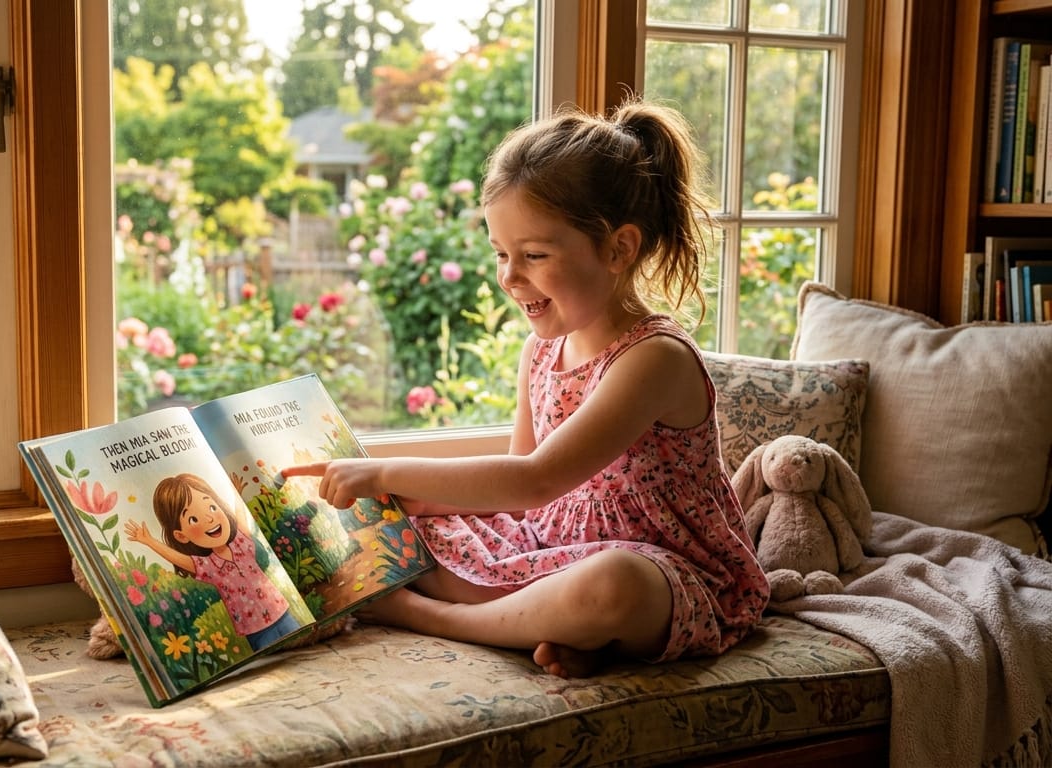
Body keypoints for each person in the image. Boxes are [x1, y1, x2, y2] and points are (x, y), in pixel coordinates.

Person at [283, 100, 769, 677]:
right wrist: (400, 499)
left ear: (619, 249)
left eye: (534, 255)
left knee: (612, 586)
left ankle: (432, 616)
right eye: (501, 255)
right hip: (551, 546)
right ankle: (560, 629)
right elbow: (511, 488)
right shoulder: (541, 352)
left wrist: (385, 471)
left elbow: (535, 479)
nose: (510, 278)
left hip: (667, 574)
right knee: (413, 525)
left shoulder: (653, 359)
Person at [125, 472, 304, 651]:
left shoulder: (241, 542)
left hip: (282, 611)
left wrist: (235, 494)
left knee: (300, 646)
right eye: (193, 519)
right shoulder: (208, 567)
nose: (210, 518)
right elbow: (179, 559)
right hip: (256, 631)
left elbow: (240, 515)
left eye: (212, 507)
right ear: (181, 536)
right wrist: (149, 541)